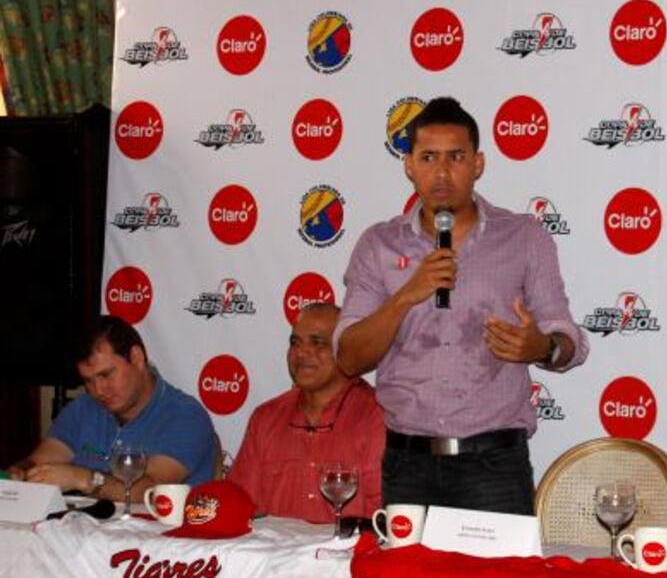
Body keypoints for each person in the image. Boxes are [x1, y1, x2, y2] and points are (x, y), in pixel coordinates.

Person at [334, 97, 588, 515]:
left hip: (495, 466)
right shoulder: (378, 244)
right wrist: (406, 296)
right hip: (407, 463)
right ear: (409, 166)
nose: (442, 172)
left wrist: (541, 347)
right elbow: (348, 357)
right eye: (429, 157)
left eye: (456, 157)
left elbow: (570, 340)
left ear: (478, 164)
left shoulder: (524, 236)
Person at [10, 315, 215, 501]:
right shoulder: (83, 408)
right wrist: (22, 471)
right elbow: (41, 461)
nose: (98, 390)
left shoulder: (185, 415)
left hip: (159, 538)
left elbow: (150, 491)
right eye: (88, 381)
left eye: (106, 375)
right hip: (85, 533)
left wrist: (84, 479)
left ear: (136, 357)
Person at [228, 303, 384, 522]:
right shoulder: (266, 417)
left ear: (348, 349)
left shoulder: (378, 416)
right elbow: (238, 505)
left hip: (348, 554)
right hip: (271, 553)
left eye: (318, 342)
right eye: (295, 342)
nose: (301, 352)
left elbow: (384, 520)